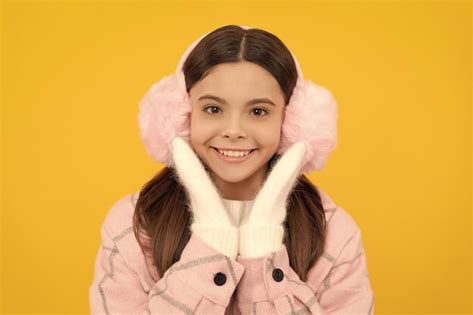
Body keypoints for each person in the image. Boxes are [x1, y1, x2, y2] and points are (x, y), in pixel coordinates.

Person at [89, 24, 375, 314]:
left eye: (258, 111)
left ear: (292, 122)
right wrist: (210, 241)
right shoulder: (132, 226)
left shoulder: (335, 233)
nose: (234, 130)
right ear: (179, 115)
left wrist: (262, 246)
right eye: (213, 109)